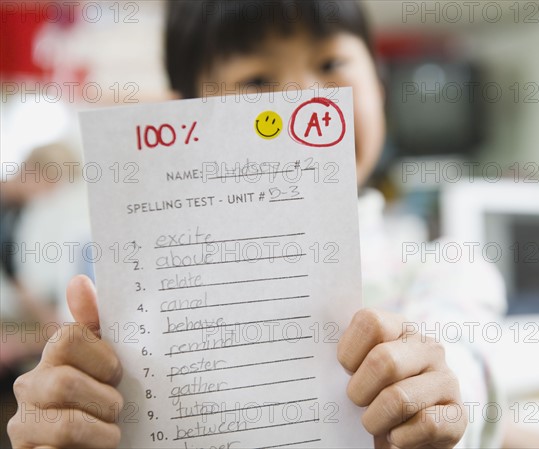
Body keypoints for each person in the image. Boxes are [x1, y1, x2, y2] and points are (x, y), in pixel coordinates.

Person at [8, 1, 508, 447]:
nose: (303, 99)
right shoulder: (141, 295)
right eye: (256, 81)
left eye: (331, 64)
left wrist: (442, 399)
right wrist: (61, 417)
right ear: (191, 116)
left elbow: (469, 368)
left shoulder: (445, 268)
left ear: (378, 86)